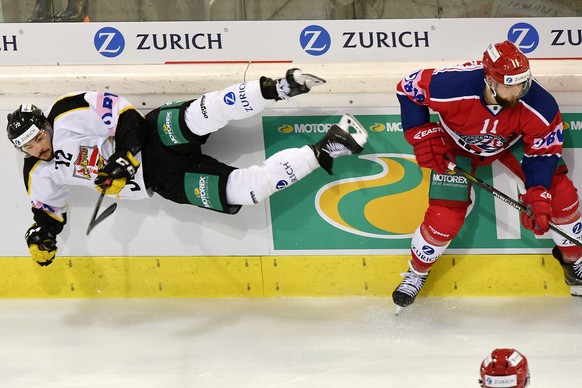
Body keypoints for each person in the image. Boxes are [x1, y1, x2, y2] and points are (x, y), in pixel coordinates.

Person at [7, 68, 368, 266]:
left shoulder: (66, 113)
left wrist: (123, 157)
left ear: (45, 124)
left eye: (38, 138)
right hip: (165, 181)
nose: (38, 149)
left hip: (151, 138)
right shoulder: (36, 172)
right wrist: (43, 236)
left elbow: (125, 115)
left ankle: (279, 87)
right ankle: (327, 148)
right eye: (27, 147)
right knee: (247, 190)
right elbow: (50, 212)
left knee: (204, 112)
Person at [392, 40, 582, 309]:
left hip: (509, 144)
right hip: (455, 147)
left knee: (560, 194)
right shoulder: (452, 86)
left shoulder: (540, 104)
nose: (517, 92)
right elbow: (407, 88)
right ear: (489, 80)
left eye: (522, 84)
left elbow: (543, 151)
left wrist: (538, 191)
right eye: (508, 85)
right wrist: (421, 134)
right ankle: (417, 272)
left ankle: (575, 263)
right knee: (445, 216)